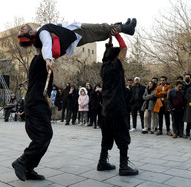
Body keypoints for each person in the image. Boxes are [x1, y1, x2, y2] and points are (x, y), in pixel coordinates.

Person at [18, 19, 137, 71]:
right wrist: (48, 60)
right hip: (76, 33)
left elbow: (38, 52)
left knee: (101, 30)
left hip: (73, 34)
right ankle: (126, 28)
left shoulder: (37, 39)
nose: (21, 28)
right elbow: (47, 46)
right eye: (22, 30)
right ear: (30, 33)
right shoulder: (42, 33)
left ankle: (123, 27)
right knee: (101, 29)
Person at [97, 28, 138, 176]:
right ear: (116, 58)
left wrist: (109, 39)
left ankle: (102, 162)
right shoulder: (116, 66)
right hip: (117, 107)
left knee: (106, 136)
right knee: (122, 136)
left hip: (106, 109)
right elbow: (125, 48)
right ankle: (124, 166)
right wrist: (117, 35)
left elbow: (106, 55)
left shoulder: (104, 67)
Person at [12, 54, 53, 181]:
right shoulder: (39, 59)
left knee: (46, 136)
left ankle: (28, 168)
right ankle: (22, 162)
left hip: (41, 103)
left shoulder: (48, 62)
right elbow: (44, 40)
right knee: (43, 136)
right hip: (35, 103)